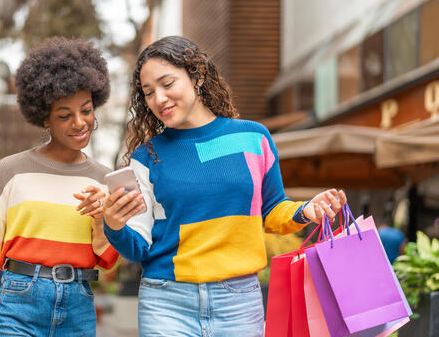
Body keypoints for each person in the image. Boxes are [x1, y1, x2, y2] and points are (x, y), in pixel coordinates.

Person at [102, 36, 347, 336]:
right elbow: (139, 247)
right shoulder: (146, 157)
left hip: (239, 303)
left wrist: (307, 210)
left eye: (168, 84)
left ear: (198, 76)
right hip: (167, 301)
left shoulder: (253, 138)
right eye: (149, 92)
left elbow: (271, 211)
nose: (159, 99)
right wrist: (113, 226)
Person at [0, 36, 120, 337]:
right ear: (45, 119)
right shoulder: (10, 171)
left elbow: (107, 262)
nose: (80, 123)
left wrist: (100, 220)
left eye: (86, 110)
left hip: (78, 306)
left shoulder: (103, 180)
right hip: (19, 303)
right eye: (64, 115)